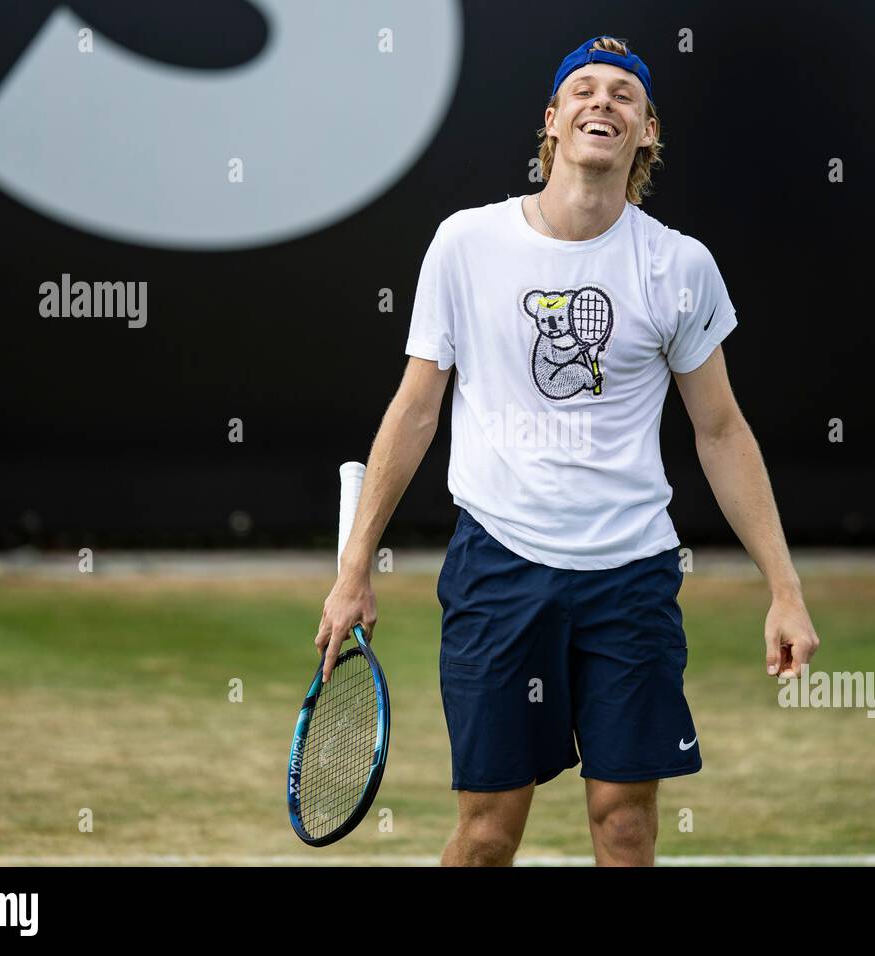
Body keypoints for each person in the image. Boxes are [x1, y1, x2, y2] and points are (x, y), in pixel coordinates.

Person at [314, 35, 819, 866]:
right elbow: (414, 411)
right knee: (485, 836)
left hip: (633, 577)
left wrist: (785, 589)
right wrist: (354, 569)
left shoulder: (679, 265)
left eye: (624, 95)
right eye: (583, 90)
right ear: (551, 122)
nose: (603, 103)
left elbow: (722, 430)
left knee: (625, 827)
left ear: (647, 132)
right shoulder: (464, 244)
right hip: (498, 571)